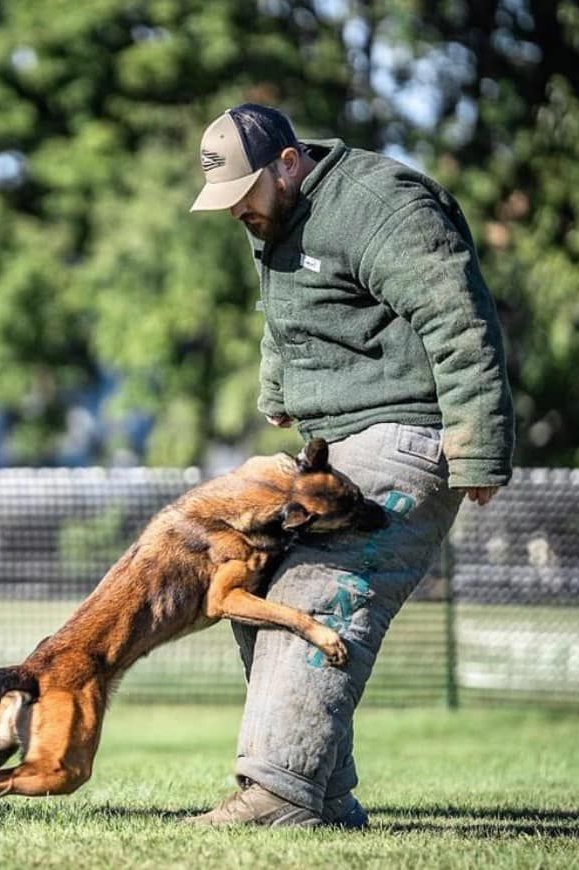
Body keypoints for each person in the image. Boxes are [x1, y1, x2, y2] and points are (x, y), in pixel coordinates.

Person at [187, 104, 514, 828]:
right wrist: (278, 392)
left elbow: (457, 319)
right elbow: (283, 310)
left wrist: (480, 444)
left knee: (311, 594)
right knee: (258, 584)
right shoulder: (274, 218)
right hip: (333, 445)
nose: (236, 208)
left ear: (287, 162)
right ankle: (322, 796)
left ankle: (280, 795)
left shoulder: (377, 205)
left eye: (244, 190)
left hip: (406, 434)